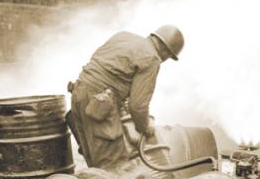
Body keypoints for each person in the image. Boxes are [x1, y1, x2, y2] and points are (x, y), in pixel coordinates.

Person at [67, 25, 184, 169]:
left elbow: (103, 64)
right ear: (166, 50)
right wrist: (145, 127)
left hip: (78, 94)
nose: (165, 60)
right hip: (100, 104)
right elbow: (138, 106)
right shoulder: (151, 58)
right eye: (169, 57)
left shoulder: (123, 36)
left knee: (94, 162)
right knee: (112, 165)